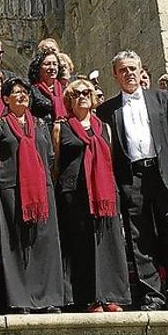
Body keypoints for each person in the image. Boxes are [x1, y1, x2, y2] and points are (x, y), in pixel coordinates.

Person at [96, 51, 168, 311]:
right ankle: (153, 295)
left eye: (133, 68)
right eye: (123, 70)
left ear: (141, 70)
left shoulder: (163, 100)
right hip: (132, 177)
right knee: (139, 238)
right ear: (115, 75)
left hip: (164, 173)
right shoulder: (107, 110)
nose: (129, 73)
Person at [0, 77, 63, 313]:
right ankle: (21, 300)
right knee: (16, 245)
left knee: (44, 244)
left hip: (41, 191)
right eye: (16, 92)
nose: (21, 96)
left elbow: (49, 158)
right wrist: (2, 181)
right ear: (6, 99)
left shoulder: (39, 124)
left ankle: (48, 299)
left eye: (24, 92)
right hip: (11, 191)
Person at [52, 79, 130, 313]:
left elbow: (112, 159)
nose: (82, 96)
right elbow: (56, 164)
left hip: (104, 193)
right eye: (76, 94)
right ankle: (89, 298)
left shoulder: (104, 127)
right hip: (74, 193)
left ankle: (111, 296)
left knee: (108, 244)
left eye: (87, 92)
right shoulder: (60, 127)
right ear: (69, 100)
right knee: (82, 244)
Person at [28, 51, 66, 128]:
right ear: (38, 68)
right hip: (41, 132)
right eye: (47, 64)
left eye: (55, 64)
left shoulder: (64, 90)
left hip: (63, 132)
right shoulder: (31, 90)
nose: (52, 68)